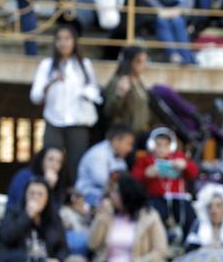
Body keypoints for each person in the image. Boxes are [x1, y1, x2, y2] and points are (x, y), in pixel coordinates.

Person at [30, 25, 102, 185]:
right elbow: (35, 96)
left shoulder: (84, 65)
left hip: (77, 122)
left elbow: (94, 91)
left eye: (67, 39)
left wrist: (83, 92)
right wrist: (52, 82)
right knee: (50, 160)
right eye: (59, 39)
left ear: (74, 42)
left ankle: (74, 195)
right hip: (53, 120)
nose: (63, 43)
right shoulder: (47, 65)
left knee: (77, 163)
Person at [87, 173, 168, 262]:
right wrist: (102, 216)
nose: (112, 196)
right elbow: (92, 244)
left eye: (116, 193)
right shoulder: (109, 215)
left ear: (127, 195)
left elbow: (160, 250)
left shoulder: (150, 216)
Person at [132, 127, 199, 238]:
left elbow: (194, 172)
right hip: (155, 198)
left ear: (171, 146)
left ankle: (189, 242)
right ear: (151, 145)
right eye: (158, 145)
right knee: (155, 215)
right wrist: (146, 174)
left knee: (189, 217)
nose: (162, 148)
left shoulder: (178, 157)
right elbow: (134, 178)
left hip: (178, 198)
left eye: (166, 145)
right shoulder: (145, 160)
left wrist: (185, 165)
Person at [75, 125, 134, 207]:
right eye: (128, 144)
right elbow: (103, 182)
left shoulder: (119, 156)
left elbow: (125, 180)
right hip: (87, 195)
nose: (130, 149)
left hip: (108, 194)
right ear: (116, 141)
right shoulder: (98, 154)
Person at [103, 46, 152, 133]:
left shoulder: (139, 81)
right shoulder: (118, 81)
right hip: (124, 135)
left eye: (145, 61)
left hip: (140, 133)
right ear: (130, 62)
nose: (144, 65)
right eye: (139, 61)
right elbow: (109, 111)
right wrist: (119, 95)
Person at [7, 145, 65, 210]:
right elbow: (24, 205)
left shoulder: (57, 181)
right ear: (41, 160)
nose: (54, 164)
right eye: (50, 159)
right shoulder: (24, 176)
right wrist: (47, 186)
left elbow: (54, 212)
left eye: (59, 161)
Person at [59, 188, 91, 257]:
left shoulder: (83, 213)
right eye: (79, 203)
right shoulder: (65, 213)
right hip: (73, 247)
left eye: (82, 202)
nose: (82, 205)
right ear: (71, 204)